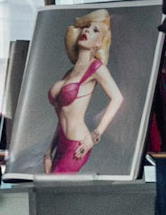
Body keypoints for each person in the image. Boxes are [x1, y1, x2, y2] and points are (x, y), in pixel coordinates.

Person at [46, 9, 123, 174]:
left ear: (98, 43)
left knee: (57, 194)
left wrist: (95, 135)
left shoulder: (96, 67)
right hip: (61, 143)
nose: (87, 31)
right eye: (86, 27)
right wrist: (49, 150)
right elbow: (63, 115)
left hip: (77, 145)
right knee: (52, 195)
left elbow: (118, 98)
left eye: (95, 30)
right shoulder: (69, 73)